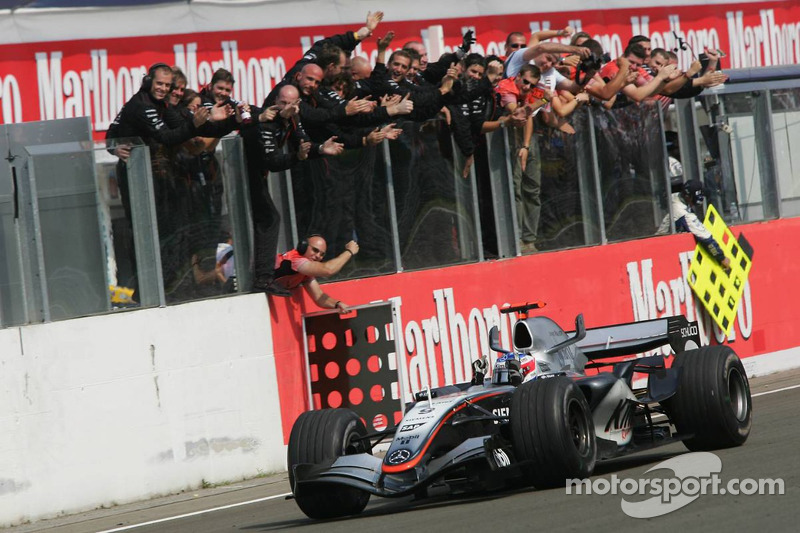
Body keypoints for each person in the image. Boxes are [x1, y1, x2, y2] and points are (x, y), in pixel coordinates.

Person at [272, 235, 359, 312]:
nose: (318, 256)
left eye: (321, 254)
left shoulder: (305, 269)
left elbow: (319, 297)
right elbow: (328, 270)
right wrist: (349, 252)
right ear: (303, 246)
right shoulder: (295, 259)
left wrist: (337, 304)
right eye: (315, 250)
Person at [657, 179, 731, 270]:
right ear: (689, 197)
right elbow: (706, 239)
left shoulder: (676, 197)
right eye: (699, 196)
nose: (701, 198)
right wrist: (721, 258)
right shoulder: (684, 214)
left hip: (662, 242)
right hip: (665, 251)